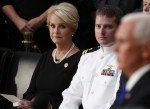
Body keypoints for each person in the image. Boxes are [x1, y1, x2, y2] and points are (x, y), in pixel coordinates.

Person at [17, 2, 82, 109]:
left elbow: (79, 102)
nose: (56, 31)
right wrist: (32, 102)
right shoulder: (46, 55)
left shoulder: (82, 59)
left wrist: (48, 106)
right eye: (52, 26)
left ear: (73, 29)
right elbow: (29, 92)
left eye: (62, 26)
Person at [59, 5, 123, 109]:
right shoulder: (87, 57)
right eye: (98, 26)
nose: (101, 31)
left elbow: (118, 101)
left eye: (108, 27)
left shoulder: (126, 59)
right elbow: (72, 94)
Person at [115, 13, 150, 108]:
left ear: (146, 49)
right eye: (116, 41)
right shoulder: (131, 83)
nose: (115, 48)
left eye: (122, 41)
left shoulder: (144, 100)